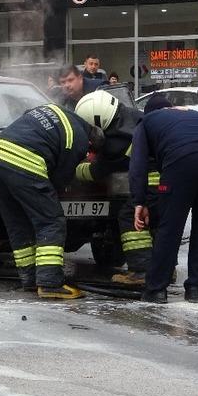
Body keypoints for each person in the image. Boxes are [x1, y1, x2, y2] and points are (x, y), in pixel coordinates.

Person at [0, 103, 103, 299]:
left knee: (18, 223)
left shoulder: (58, 111)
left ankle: (30, 278)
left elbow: (26, 114)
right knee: (51, 221)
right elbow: (60, 179)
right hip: (24, 161)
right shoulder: (80, 139)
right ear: (91, 144)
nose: (86, 156)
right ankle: (50, 283)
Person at [124, 95, 198, 303]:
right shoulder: (192, 115)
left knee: (169, 226)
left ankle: (156, 289)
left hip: (182, 159)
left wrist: (139, 201)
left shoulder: (146, 122)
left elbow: (137, 166)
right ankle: (194, 288)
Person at [73, 90, 152, 287]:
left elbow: (96, 171)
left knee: (130, 214)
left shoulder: (114, 144)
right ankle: (165, 268)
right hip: (173, 173)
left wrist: (74, 170)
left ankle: (141, 272)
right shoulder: (131, 115)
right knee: (160, 223)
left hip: (153, 178)